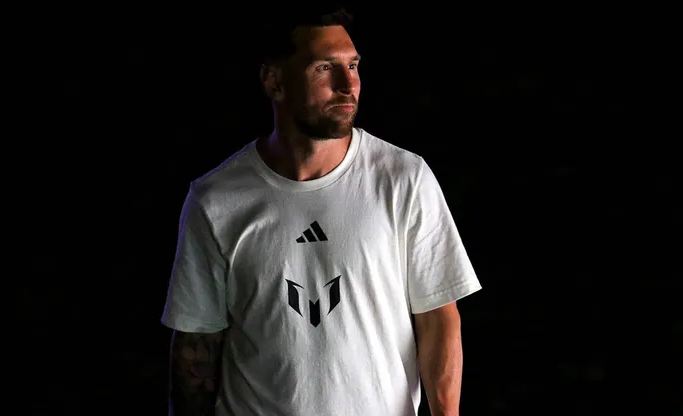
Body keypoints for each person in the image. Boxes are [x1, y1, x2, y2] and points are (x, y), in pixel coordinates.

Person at [161, 5, 482, 416]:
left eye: (353, 65)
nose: (348, 85)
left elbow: (438, 318)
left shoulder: (403, 178)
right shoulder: (216, 199)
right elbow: (196, 344)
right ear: (274, 81)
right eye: (324, 68)